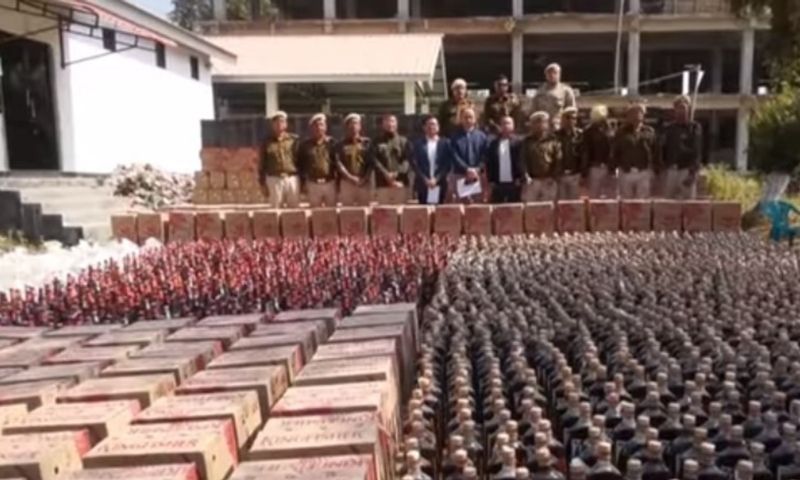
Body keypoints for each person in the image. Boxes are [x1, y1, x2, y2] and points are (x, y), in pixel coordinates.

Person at [612, 102, 658, 199]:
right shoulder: (621, 132)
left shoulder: (649, 131)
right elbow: (615, 151)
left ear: (643, 115)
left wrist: (655, 169)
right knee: (626, 200)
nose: (635, 116)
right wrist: (613, 168)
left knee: (642, 201)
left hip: (643, 171)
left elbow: (656, 151)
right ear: (628, 116)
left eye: (638, 112)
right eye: (632, 113)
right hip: (626, 171)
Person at [660, 95, 703, 199]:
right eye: (678, 108)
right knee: (667, 203)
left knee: (688, 204)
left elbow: (697, 151)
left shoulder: (694, 128)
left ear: (688, 108)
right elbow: (663, 149)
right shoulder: (668, 128)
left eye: (684, 107)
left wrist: (693, 173)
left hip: (687, 170)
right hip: (671, 171)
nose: (681, 111)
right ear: (674, 109)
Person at [261, 111, 300, 208]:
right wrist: (262, 183)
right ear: (272, 125)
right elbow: (262, 163)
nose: (279, 124)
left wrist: (302, 180)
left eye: (282, 121)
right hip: (274, 179)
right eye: (276, 122)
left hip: (291, 178)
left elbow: (300, 160)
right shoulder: (267, 142)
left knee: (294, 210)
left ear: (286, 124)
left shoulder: (294, 140)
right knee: (276, 210)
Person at [449, 108, 488, 203]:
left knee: (477, 205)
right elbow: (454, 155)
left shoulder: (482, 137)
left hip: (477, 176)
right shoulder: (454, 137)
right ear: (461, 119)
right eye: (465, 117)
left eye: (470, 117)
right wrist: (467, 169)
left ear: (475, 119)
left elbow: (485, 155)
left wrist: (477, 169)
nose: (468, 120)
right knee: (460, 205)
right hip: (460, 175)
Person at [521, 111, 562, 202]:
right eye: (537, 122)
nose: (540, 125)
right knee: (531, 207)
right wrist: (526, 176)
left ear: (547, 124)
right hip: (532, 181)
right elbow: (522, 160)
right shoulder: (527, 141)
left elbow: (558, 159)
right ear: (532, 125)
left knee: (548, 207)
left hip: (548, 180)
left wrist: (554, 176)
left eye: (543, 122)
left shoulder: (553, 140)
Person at [298, 113, 337, 207]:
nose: (319, 128)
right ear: (311, 128)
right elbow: (301, 165)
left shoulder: (332, 143)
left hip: (330, 182)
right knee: (315, 212)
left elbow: (337, 162)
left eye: (321, 125)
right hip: (313, 183)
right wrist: (303, 183)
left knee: (331, 211)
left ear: (325, 127)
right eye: (315, 125)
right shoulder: (305, 145)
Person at [372, 114, 411, 205]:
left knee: (400, 211)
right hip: (383, 184)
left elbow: (407, 160)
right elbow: (374, 160)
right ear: (383, 125)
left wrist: (396, 174)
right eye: (387, 121)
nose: (390, 124)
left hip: (400, 183)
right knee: (384, 211)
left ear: (396, 124)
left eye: (392, 121)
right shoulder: (376, 141)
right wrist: (386, 174)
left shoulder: (404, 141)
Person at [412, 116, 451, 205]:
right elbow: (415, 164)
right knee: (424, 210)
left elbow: (447, 164)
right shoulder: (418, 144)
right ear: (424, 127)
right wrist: (425, 179)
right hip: (423, 184)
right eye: (428, 124)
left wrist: (436, 179)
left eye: (434, 124)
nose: (431, 127)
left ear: (438, 127)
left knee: (440, 210)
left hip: (440, 183)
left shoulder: (445, 143)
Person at [336, 113, 372, 206]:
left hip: (363, 182)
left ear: (360, 126)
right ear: (346, 127)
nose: (353, 126)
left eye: (356, 123)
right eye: (350, 124)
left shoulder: (367, 143)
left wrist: (364, 178)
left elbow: (371, 163)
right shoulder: (340, 145)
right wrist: (350, 178)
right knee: (347, 211)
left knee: (365, 210)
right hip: (347, 183)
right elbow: (338, 163)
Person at [485, 116, 523, 203]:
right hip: (498, 183)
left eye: (508, 123)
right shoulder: (493, 143)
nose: (506, 126)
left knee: (514, 207)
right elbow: (489, 162)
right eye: (503, 123)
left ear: (513, 126)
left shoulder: (519, 143)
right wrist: (491, 180)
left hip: (514, 182)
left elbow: (522, 161)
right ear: (500, 126)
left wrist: (520, 178)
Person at [582, 104, 616, 199]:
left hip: (609, 167)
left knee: (610, 195)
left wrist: (613, 166)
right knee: (594, 194)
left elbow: (613, 148)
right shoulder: (588, 131)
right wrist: (585, 171)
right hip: (594, 166)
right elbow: (586, 152)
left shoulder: (610, 129)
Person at [531, 63, 577, 129]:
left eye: (555, 73)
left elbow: (572, 111)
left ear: (559, 74)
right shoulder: (539, 92)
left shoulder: (566, 91)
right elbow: (533, 111)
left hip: (559, 126)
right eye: (549, 73)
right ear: (546, 75)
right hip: (543, 127)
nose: (552, 75)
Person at [555, 107, 584, 200]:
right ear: (562, 119)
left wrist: (583, 173)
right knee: (561, 203)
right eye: (568, 117)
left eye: (574, 118)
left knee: (574, 203)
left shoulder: (580, 135)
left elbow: (584, 155)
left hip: (575, 174)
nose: (571, 120)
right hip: (560, 175)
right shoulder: (555, 135)